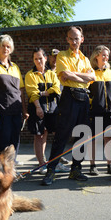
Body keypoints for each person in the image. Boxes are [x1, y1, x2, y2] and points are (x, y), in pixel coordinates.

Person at [42, 26, 95, 186]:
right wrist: (83, 77)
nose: (74, 41)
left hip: (84, 98)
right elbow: (65, 75)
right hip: (69, 97)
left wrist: (76, 75)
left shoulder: (85, 59)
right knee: (62, 135)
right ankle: (51, 170)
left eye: (76, 38)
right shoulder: (62, 56)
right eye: (71, 38)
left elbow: (92, 77)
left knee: (82, 135)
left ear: (82, 39)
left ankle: (76, 169)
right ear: (67, 39)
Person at [24, 47, 65, 175]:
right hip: (37, 108)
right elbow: (32, 92)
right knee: (39, 135)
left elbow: (57, 89)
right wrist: (38, 106)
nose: (38, 61)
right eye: (35, 59)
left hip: (52, 108)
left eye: (40, 58)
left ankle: (53, 162)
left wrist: (43, 92)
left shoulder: (52, 73)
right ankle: (41, 164)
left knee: (47, 134)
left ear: (45, 58)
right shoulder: (30, 74)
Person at [0, 34, 26, 155]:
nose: (5, 49)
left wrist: (24, 110)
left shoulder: (15, 67)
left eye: (8, 46)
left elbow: (21, 91)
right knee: (3, 145)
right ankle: (2, 172)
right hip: (0, 113)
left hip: (16, 112)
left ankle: (11, 170)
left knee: (14, 144)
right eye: (3, 46)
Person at [87, 45, 111, 175]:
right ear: (96, 56)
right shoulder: (91, 73)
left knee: (108, 138)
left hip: (109, 112)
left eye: (107, 55)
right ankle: (92, 165)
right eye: (103, 55)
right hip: (95, 111)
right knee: (94, 139)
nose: (106, 57)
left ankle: (110, 165)